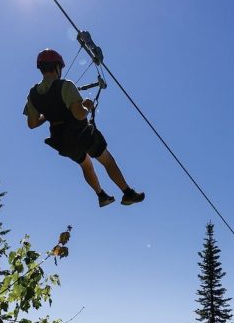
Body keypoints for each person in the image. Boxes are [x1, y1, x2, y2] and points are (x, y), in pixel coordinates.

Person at [24, 48, 145, 207]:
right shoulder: (65, 85)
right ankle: (128, 193)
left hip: (61, 141)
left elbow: (32, 124)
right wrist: (87, 106)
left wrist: (47, 114)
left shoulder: (33, 94)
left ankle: (101, 196)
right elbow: (80, 114)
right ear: (57, 67)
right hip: (81, 133)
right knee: (107, 160)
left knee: (86, 165)